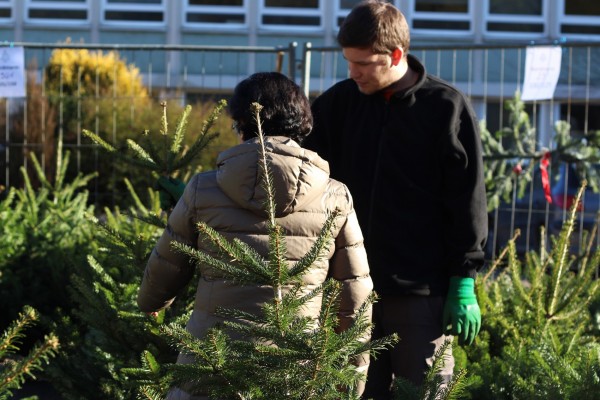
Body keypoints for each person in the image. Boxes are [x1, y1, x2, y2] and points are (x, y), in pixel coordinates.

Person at [137, 72, 373, 399]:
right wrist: (354, 370)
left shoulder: (203, 189)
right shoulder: (335, 196)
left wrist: (152, 301)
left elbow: (169, 260)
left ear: (241, 125)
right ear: (301, 123)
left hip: (212, 361)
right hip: (295, 367)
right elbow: (355, 290)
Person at [302, 1, 488, 397]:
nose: (353, 73)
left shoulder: (446, 108)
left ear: (397, 55)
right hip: (348, 288)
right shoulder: (339, 103)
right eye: (348, 62)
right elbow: (301, 171)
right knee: (348, 392)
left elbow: (467, 200)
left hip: (420, 293)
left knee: (421, 392)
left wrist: (463, 282)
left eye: (364, 64)